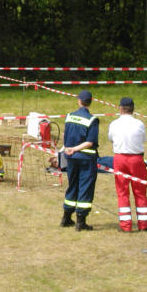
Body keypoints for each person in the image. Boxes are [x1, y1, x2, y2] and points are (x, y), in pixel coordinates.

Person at [108, 97, 147, 232]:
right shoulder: (139, 124)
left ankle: (125, 225)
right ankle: (144, 224)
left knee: (122, 192)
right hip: (136, 159)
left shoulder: (114, 124)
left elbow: (110, 138)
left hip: (120, 158)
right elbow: (143, 139)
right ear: (133, 109)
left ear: (120, 108)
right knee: (140, 192)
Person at [61, 90, 99, 231]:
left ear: (79, 100)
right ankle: (80, 221)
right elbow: (90, 142)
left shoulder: (69, 116)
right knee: (85, 188)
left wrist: (69, 149)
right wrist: (76, 149)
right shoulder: (92, 120)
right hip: (86, 158)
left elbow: (65, 135)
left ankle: (66, 217)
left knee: (72, 185)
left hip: (71, 157)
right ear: (91, 101)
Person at [47, 150, 147, 174]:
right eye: (55, 163)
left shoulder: (67, 159)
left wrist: (55, 157)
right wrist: (54, 166)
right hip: (103, 165)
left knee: (139, 166)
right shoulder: (68, 167)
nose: (56, 162)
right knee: (140, 165)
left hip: (101, 160)